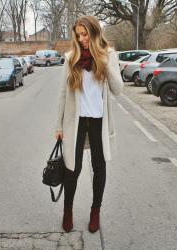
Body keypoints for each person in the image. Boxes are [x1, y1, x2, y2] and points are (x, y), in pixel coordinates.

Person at [55, 15, 123, 233]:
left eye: (85, 34)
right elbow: (63, 94)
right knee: (72, 169)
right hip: (76, 122)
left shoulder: (109, 55)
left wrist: (101, 60)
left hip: (98, 122)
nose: (82, 39)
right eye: (78, 35)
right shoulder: (71, 57)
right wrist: (58, 125)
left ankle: (95, 210)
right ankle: (68, 210)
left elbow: (118, 89)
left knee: (99, 167)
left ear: (94, 32)